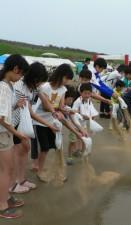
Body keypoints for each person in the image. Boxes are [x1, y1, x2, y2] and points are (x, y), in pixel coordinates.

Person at [10, 62, 59, 194]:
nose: (40, 84)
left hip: (23, 123)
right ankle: (13, 183)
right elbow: (30, 112)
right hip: (14, 123)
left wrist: (53, 111)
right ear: (33, 78)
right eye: (39, 81)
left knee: (25, 150)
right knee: (17, 152)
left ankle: (21, 179)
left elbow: (44, 99)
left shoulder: (34, 88)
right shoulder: (20, 86)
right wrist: (49, 125)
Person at [33, 64, 83, 180]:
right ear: (60, 76)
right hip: (40, 121)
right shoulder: (45, 87)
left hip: (53, 121)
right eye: (66, 79)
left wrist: (67, 110)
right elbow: (46, 107)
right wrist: (58, 110)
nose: (66, 82)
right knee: (44, 148)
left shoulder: (63, 89)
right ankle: (40, 172)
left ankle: (57, 168)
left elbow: (61, 106)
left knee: (56, 146)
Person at [0, 54, 29, 219]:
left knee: (7, 169)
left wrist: (15, 105)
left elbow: (4, 110)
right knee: (6, 170)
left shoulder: (7, 85)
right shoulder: (3, 86)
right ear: (16, 69)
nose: (20, 78)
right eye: (21, 74)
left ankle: (6, 197)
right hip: (3, 133)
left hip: (6, 132)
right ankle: (2, 205)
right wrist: (18, 133)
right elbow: (1, 118)